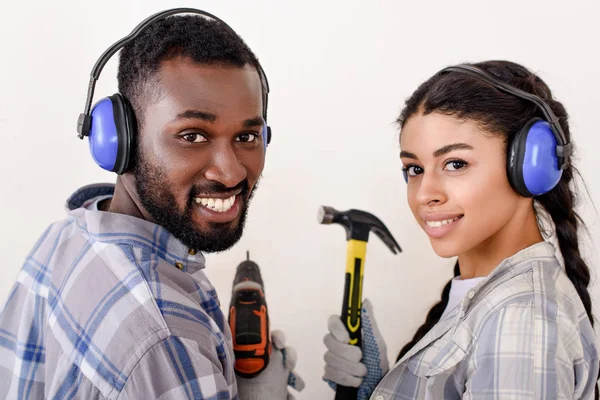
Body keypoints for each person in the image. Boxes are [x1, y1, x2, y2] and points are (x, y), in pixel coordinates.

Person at [0, 9, 304, 400]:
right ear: (117, 140)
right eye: (192, 135)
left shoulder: (67, 236)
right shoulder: (167, 341)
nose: (231, 173)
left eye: (247, 136)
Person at [322, 60, 599, 399]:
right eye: (414, 169)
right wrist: (382, 386)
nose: (424, 194)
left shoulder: (519, 321)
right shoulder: (489, 298)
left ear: (532, 164)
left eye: (455, 164)